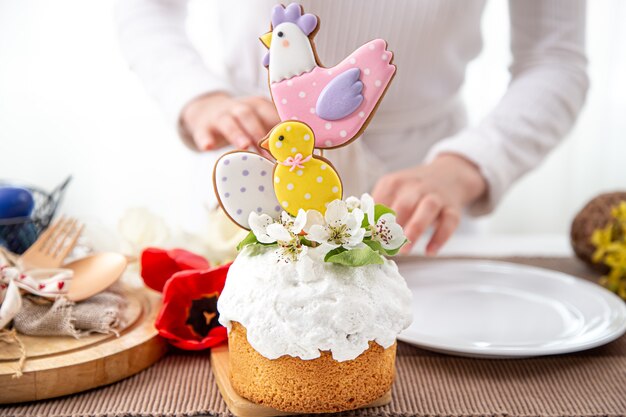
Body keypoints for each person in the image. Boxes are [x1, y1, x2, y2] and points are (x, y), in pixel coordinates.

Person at [115, 0, 588, 254]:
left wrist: (468, 164)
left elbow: (555, 57)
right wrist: (198, 96)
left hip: (419, 211)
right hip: (255, 176)